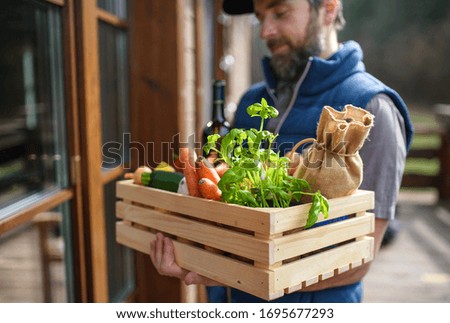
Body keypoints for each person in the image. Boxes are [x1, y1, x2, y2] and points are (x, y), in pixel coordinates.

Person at [150, 0, 414, 303]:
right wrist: (190, 254)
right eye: (260, 17)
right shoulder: (253, 100)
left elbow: (361, 259)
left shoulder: (369, 109)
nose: (266, 31)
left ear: (328, 9)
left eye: (281, 13)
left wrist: (232, 273)